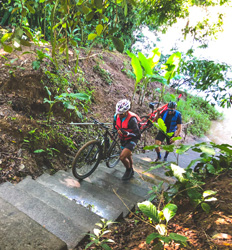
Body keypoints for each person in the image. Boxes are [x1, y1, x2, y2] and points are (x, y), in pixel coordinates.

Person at [113, 99, 141, 180]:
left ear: (127, 111)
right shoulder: (116, 115)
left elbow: (137, 134)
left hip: (132, 138)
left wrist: (127, 133)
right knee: (128, 155)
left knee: (122, 157)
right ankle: (131, 169)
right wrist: (115, 131)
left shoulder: (132, 120)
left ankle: (128, 170)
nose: (119, 115)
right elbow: (114, 125)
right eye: (119, 113)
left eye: (122, 114)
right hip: (123, 138)